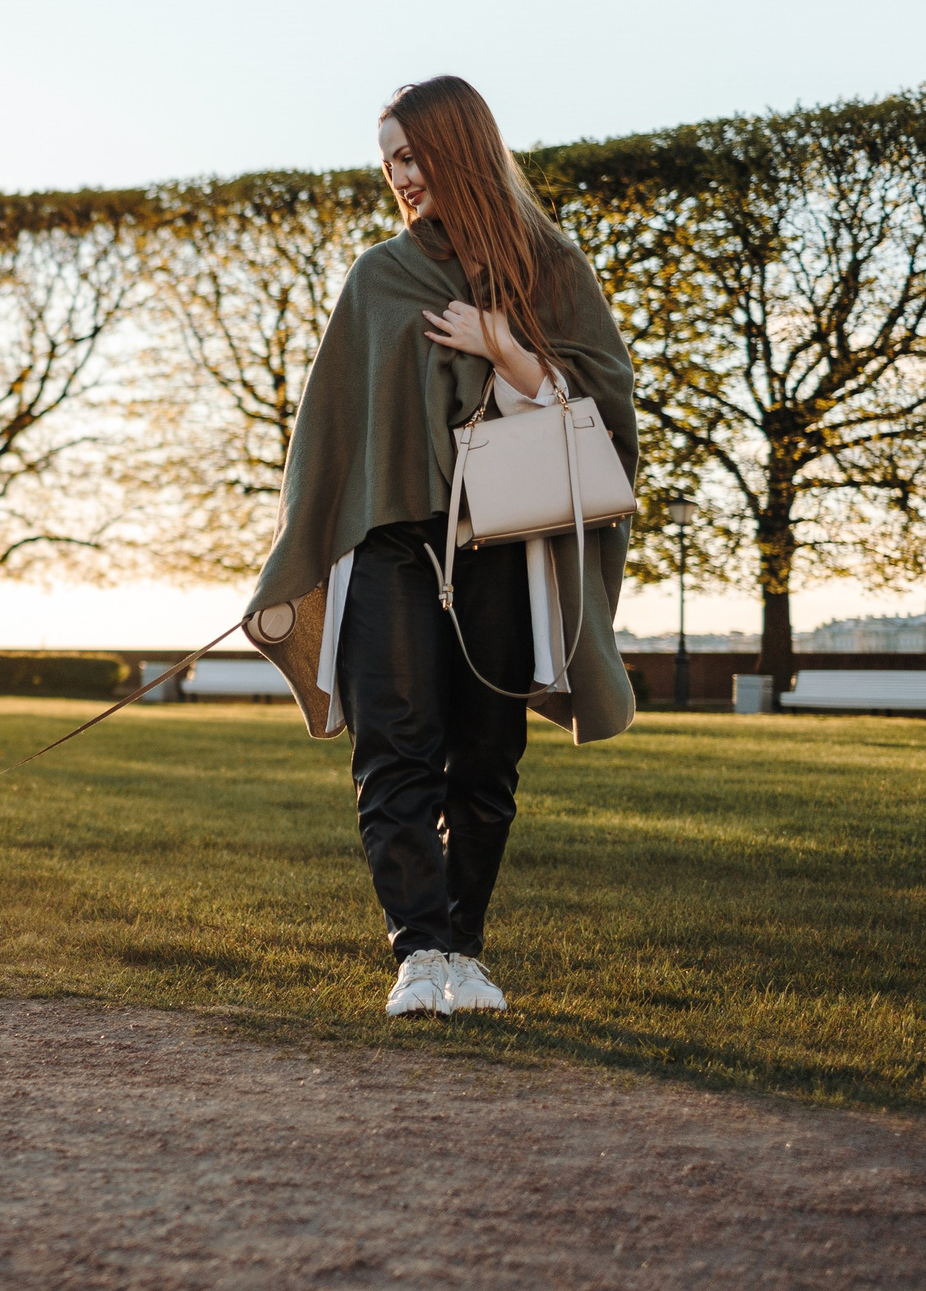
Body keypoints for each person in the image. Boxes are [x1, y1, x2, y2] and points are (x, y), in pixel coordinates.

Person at [240, 76, 637, 1018]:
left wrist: (505, 347)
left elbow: (606, 407)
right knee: (396, 750)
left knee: (488, 757)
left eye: (414, 155)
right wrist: (297, 558)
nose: (402, 177)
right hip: (391, 545)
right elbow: (330, 436)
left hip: (504, 547)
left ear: (462, 148)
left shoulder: (552, 268)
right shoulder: (378, 278)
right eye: (390, 163)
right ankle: (418, 952)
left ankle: (466, 950)